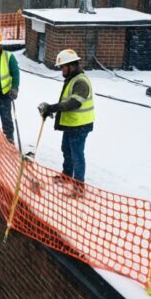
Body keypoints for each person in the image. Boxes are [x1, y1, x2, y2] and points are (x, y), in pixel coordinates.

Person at [39, 50, 95, 197]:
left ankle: (79, 187)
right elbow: (66, 102)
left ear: (71, 65)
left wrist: (53, 107)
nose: (61, 70)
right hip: (71, 124)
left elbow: (73, 104)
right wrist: (53, 110)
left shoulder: (81, 81)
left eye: (63, 67)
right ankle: (67, 175)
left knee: (77, 155)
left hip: (80, 125)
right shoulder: (72, 78)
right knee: (66, 149)